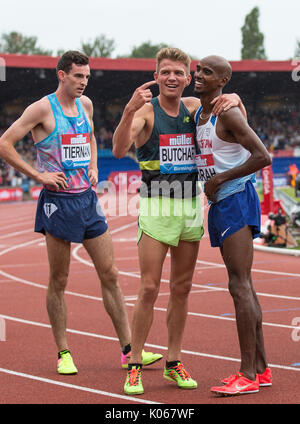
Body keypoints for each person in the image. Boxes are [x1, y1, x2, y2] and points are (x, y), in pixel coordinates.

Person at [0, 50, 162, 375]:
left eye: (87, 77)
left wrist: (93, 165)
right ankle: (63, 352)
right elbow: (5, 143)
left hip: (87, 200)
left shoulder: (85, 105)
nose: (83, 82)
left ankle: (130, 350)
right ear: (62, 75)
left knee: (111, 274)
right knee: (59, 279)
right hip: (57, 203)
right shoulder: (42, 109)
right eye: (78, 76)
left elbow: (87, 139)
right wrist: (38, 176)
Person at [112, 47, 247, 395]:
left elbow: (232, 109)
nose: (172, 78)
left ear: (188, 78)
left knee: (182, 289)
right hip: (157, 208)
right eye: (165, 72)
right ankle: (136, 363)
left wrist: (232, 96)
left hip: (189, 206)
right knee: (148, 288)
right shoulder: (145, 112)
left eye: (179, 73)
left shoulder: (193, 108)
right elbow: (117, 149)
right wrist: (128, 111)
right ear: (156, 76)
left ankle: (173, 361)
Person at [193, 55, 272, 396]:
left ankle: (247, 374)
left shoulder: (228, 112)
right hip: (222, 202)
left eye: (207, 72)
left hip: (236, 198)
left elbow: (263, 156)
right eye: (198, 69)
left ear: (223, 79)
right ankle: (262, 369)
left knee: (239, 286)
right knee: (245, 286)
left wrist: (220, 179)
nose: (199, 75)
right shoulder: (201, 111)